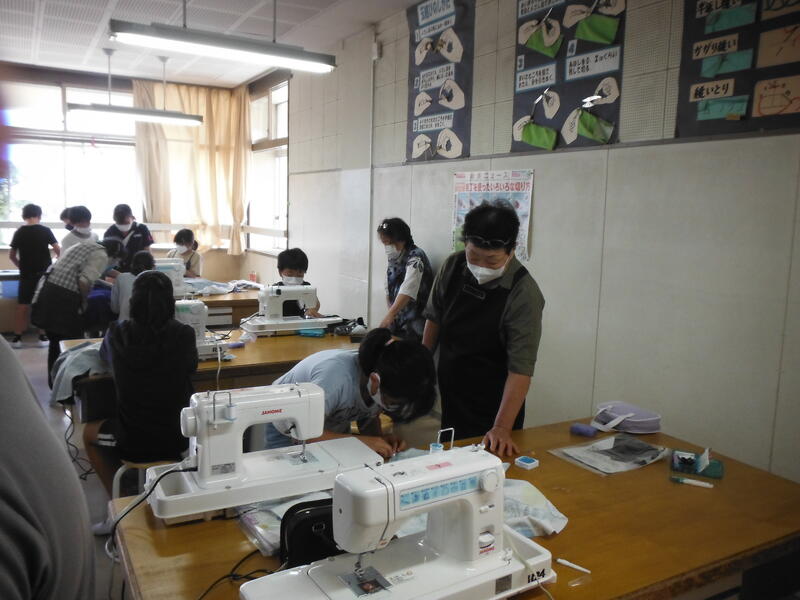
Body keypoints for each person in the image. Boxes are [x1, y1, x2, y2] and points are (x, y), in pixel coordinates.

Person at [423, 201, 545, 457]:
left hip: (494, 403)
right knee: (449, 457)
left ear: (511, 249)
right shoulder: (453, 265)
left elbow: (521, 369)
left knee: (490, 464)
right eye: (474, 256)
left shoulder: (524, 293)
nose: (480, 265)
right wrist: (422, 367)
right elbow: (434, 318)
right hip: (452, 390)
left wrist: (501, 427)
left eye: (491, 260)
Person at [84, 271, 198, 533]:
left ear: (132, 302)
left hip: (133, 441)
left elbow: (105, 358)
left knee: (88, 433)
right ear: (171, 303)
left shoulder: (116, 332)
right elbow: (191, 367)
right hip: (177, 439)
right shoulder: (184, 334)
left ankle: (118, 504)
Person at [264, 327, 435, 459]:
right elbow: (304, 436)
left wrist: (380, 440)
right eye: (393, 403)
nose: (389, 408)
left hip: (329, 425)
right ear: (375, 381)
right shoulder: (335, 380)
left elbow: (368, 415)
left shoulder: (381, 378)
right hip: (289, 424)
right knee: (292, 484)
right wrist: (364, 442)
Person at [31, 238, 125, 385]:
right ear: (114, 254)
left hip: (48, 293)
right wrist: (84, 301)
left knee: (56, 343)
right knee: (74, 344)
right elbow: (84, 281)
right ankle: (71, 385)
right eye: (117, 260)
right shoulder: (102, 255)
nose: (116, 263)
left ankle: (54, 383)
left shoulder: (85, 245)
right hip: (65, 299)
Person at [9, 203, 60, 348]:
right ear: (39, 215)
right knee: (42, 305)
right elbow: (58, 250)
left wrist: (21, 266)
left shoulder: (19, 232)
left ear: (24, 216)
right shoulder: (45, 230)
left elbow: (12, 255)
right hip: (44, 274)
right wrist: (53, 264)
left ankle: (17, 337)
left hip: (26, 274)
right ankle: (42, 336)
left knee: (22, 306)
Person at [377, 218, 433, 341]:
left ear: (401, 239)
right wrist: (391, 313)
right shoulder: (394, 258)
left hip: (415, 322)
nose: (387, 248)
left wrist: (390, 315)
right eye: (384, 244)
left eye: (389, 243)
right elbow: (388, 287)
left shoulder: (416, 257)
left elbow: (407, 290)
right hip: (399, 321)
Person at [272, 247, 321, 317]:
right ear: (280, 272)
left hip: (301, 322)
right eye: (290, 273)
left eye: (300, 273)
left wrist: (312, 310)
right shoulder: (275, 289)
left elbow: (316, 303)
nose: (294, 278)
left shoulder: (306, 286)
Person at [103, 204, 153, 273]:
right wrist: (119, 275)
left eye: (126, 223)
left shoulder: (142, 229)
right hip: (117, 270)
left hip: (139, 268)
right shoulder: (110, 232)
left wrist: (149, 267)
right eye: (120, 223)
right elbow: (107, 258)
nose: (123, 225)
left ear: (132, 217)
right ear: (114, 219)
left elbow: (147, 249)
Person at [111, 250, 155, 321]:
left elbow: (115, 309)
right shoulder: (156, 281)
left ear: (132, 264)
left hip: (124, 323)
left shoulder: (121, 277)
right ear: (153, 266)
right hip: (149, 325)